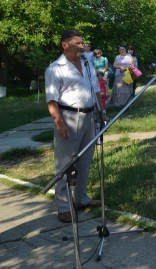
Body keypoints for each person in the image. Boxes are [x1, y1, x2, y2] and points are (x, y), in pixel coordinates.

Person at [45, 30, 108, 223]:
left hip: (89, 117)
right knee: (64, 164)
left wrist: (102, 112)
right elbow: (52, 100)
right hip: (69, 118)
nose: (82, 46)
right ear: (65, 45)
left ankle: (81, 199)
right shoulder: (56, 69)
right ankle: (64, 208)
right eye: (77, 43)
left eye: (82, 43)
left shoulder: (87, 64)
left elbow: (95, 89)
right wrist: (60, 123)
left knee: (85, 161)